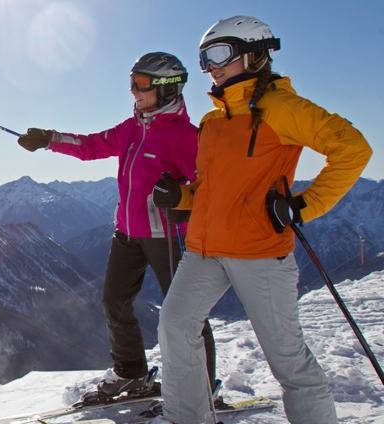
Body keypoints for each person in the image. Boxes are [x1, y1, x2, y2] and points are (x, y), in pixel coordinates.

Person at [151, 16, 372, 424]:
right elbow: (210, 188)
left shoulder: (280, 107)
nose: (211, 66)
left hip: (258, 252)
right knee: (175, 326)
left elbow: (353, 148)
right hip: (203, 249)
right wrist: (180, 195)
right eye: (205, 58)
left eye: (220, 54)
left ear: (254, 54)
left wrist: (304, 205)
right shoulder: (214, 122)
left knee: (287, 358)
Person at [17, 52, 216, 398]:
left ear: (168, 88)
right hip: (126, 232)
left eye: (141, 85)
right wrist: (50, 139)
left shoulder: (185, 137)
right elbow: (92, 146)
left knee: (186, 313)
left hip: (167, 237)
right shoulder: (132, 128)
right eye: (131, 84)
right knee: (114, 302)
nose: (133, 92)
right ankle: (131, 373)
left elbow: (208, 188)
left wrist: (183, 196)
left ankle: (202, 388)